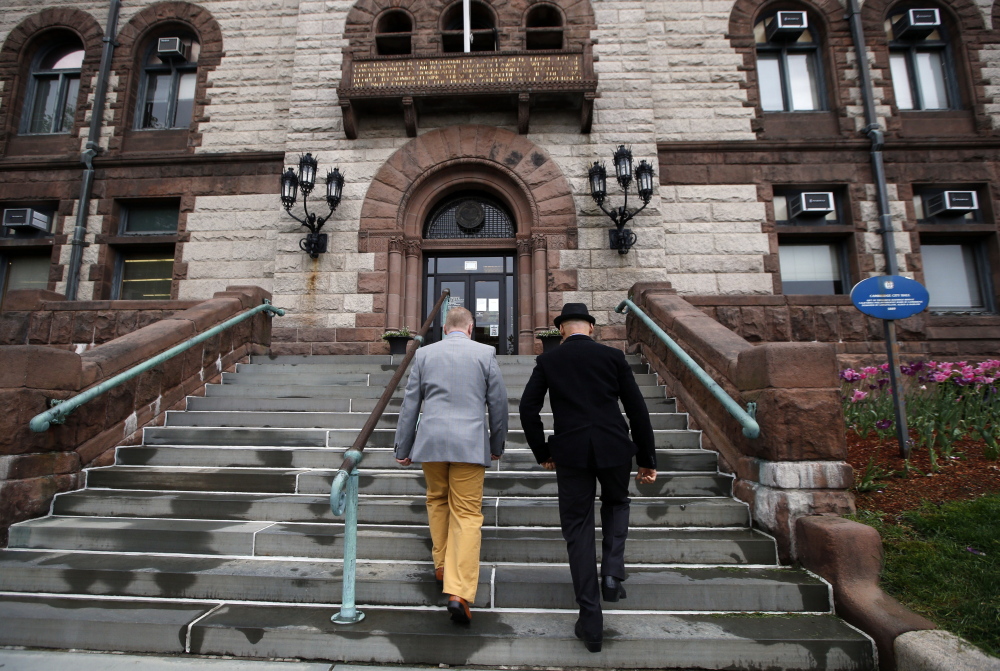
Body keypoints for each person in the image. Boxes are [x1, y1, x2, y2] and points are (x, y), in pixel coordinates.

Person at [518, 302, 657, 653]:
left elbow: (527, 408)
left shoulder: (549, 360)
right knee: (617, 503)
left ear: (562, 330)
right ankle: (611, 571)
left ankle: (591, 620)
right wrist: (646, 457)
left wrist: (543, 451)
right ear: (590, 328)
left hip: (571, 452)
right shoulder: (612, 358)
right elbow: (637, 408)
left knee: (578, 529)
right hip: (613, 447)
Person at [393, 306, 508, 624]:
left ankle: (442, 563)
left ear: (445, 329)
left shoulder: (425, 354)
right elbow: (497, 404)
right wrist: (496, 444)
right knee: (468, 514)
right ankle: (458, 591)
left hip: (431, 443)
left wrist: (403, 447)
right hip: (469, 445)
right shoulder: (485, 353)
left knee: (437, 500)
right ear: (470, 328)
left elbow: (410, 404)